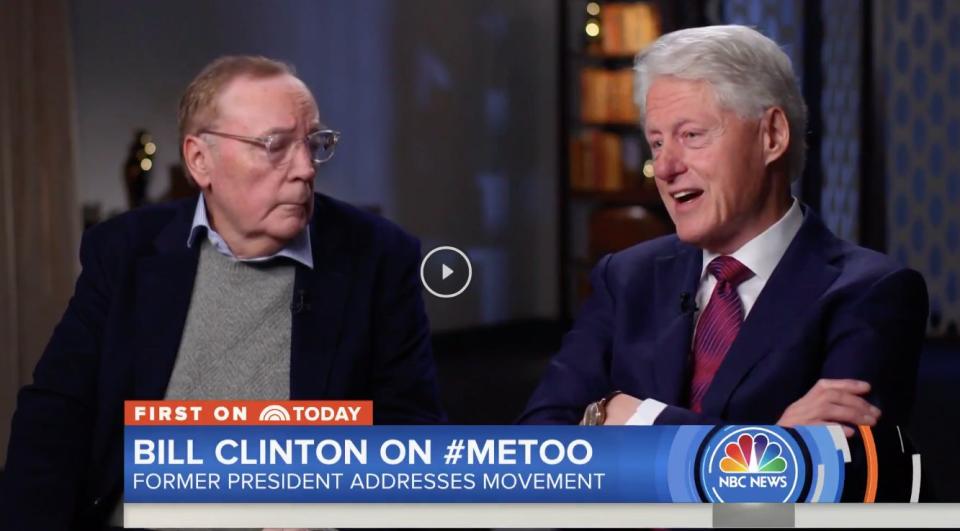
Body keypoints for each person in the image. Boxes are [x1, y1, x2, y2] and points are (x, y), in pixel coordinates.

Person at [1, 55, 444, 530]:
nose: (305, 169)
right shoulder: (125, 251)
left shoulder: (378, 257)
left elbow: (411, 443)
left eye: (313, 143)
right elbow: (54, 417)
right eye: (275, 145)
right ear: (199, 160)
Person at [520, 26, 928, 433]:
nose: (663, 168)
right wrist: (770, 444)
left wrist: (631, 418)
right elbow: (538, 440)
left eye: (691, 135)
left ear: (772, 135)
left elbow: (836, 471)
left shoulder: (871, 293)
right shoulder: (625, 278)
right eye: (657, 142)